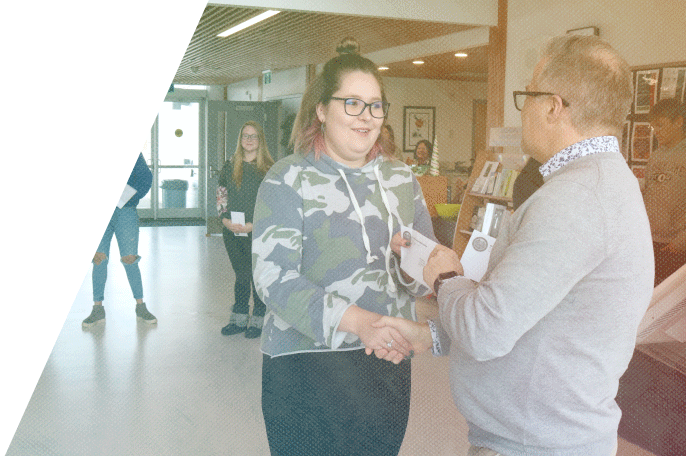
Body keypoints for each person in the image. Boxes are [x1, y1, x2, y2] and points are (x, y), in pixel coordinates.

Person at [374, 35, 655, 456]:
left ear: (553, 107)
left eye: (526, 96)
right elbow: (533, 319)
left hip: (532, 445)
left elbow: (485, 330)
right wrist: (431, 335)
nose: (522, 111)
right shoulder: (600, 184)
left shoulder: (576, 199)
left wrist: (444, 273)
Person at [251, 37, 436, 456]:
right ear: (321, 109)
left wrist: (419, 269)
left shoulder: (402, 180)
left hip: (385, 360)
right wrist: (359, 321)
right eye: (352, 103)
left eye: (375, 105)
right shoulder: (288, 179)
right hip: (304, 365)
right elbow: (274, 280)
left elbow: (424, 271)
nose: (366, 116)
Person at [82, 152, 156, 327]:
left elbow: (145, 178)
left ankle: (140, 307)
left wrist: (127, 196)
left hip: (126, 210)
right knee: (99, 258)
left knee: (130, 259)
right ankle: (97, 309)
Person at [217, 121, 274, 338]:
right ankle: (239, 320)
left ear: (260, 140)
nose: (249, 140)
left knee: (256, 277)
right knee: (241, 275)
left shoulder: (269, 168)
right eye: (245, 136)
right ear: (240, 140)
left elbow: (273, 203)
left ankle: (259, 320)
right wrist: (224, 220)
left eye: (253, 136)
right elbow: (221, 193)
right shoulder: (229, 165)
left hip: (258, 231)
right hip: (232, 231)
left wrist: (254, 224)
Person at [643, 98, 686, 286]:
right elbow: (650, 194)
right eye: (653, 127)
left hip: (676, 245)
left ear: (678, 122)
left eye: (660, 125)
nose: (656, 131)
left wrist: (681, 241)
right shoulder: (656, 155)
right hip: (650, 240)